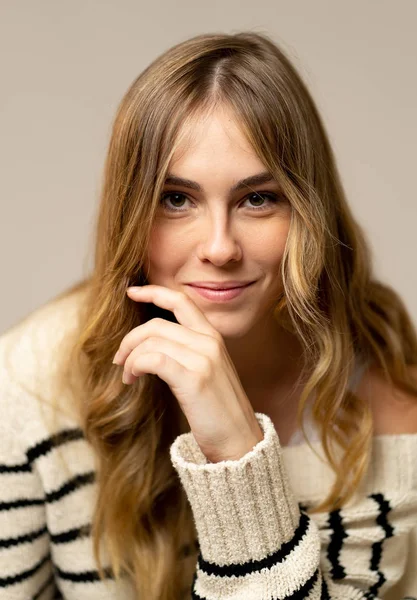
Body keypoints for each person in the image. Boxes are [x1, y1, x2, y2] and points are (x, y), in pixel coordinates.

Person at [0, 30, 416, 600]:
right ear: (131, 214)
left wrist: (239, 455)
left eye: (258, 198)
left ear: (307, 212)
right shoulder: (30, 384)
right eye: (176, 199)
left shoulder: (386, 421)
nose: (220, 248)